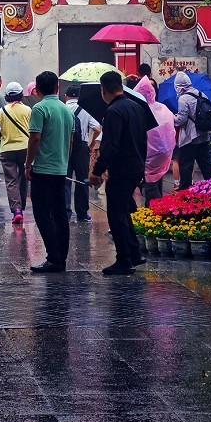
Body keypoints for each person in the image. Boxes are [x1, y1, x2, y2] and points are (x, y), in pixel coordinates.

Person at [89, 70, 147, 276]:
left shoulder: (113, 111)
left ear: (103, 90)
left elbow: (110, 146)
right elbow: (143, 139)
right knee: (123, 210)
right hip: (136, 166)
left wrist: (97, 171)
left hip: (122, 168)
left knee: (116, 214)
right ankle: (134, 253)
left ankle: (124, 260)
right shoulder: (137, 107)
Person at [26, 70, 73, 273]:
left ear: (37, 90)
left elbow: (35, 138)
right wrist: (64, 161)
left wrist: (28, 164)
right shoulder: (66, 110)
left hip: (43, 168)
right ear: (57, 87)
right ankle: (61, 257)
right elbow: (70, 141)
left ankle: (54, 258)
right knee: (60, 214)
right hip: (61, 168)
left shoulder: (39, 108)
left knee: (42, 213)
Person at [0, 81, 31, 225]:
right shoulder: (27, 110)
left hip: (7, 150)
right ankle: (21, 206)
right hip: (25, 148)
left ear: (7, 95)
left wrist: (0, 132)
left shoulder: (2, 111)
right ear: (21, 94)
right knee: (24, 178)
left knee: (11, 181)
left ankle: (17, 210)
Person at [135, 75, 175, 206]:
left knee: (150, 186)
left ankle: (155, 211)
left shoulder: (141, 111)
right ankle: (159, 208)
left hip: (149, 156)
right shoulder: (162, 108)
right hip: (164, 153)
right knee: (158, 181)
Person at [173, 72, 211, 190]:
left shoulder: (183, 98)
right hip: (204, 135)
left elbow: (182, 119)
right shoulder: (202, 94)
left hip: (189, 138)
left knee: (186, 166)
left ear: (178, 86)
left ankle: (185, 191)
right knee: (206, 165)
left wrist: (173, 118)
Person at [64, 82, 99, 223]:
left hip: (64, 148)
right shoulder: (86, 109)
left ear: (66, 96)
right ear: (79, 96)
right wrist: (91, 145)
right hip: (82, 149)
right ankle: (82, 213)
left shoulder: (62, 108)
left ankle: (65, 212)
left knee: (65, 179)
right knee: (82, 179)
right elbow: (97, 129)